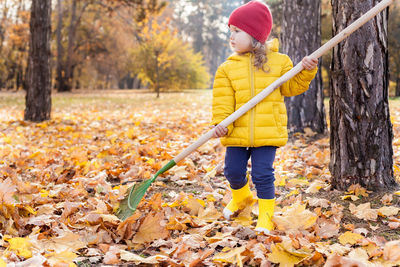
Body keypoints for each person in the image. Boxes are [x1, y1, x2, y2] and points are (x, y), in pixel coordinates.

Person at [212, 0, 318, 234]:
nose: (232, 36)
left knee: (263, 175)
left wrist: (307, 70)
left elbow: (293, 87)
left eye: (237, 31)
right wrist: (221, 123)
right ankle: (241, 198)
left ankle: (266, 216)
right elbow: (222, 101)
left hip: (267, 131)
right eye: (231, 31)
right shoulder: (227, 68)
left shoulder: (280, 63)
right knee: (232, 171)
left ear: (255, 35)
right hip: (237, 131)